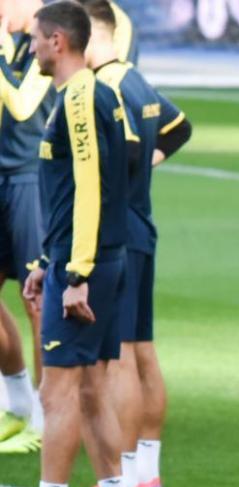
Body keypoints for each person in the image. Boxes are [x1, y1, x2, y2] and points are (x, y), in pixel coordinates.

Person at [0, 0, 138, 487]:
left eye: (36, 38)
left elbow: (89, 187)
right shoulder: (93, 95)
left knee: (57, 393)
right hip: (97, 259)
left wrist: (75, 271)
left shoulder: (79, 98)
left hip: (85, 266)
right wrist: (44, 263)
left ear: (58, 41)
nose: (30, 47)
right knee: (92, 390)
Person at [64, 0, 190, 487]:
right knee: (141, 350)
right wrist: (143, 172)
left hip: (117, 233)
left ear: (94, 35)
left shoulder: (107, 88)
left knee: (117, 357)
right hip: (142, 226)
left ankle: (124, 476)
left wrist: (122, 182)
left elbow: (122, 155)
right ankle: (147, 474)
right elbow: (180, 127)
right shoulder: (137, 81)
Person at [0, 0, 53, 454]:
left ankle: (45, 417)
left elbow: (21, 106)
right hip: (1, 177)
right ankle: (16, 404)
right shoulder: (12, 40)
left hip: (30, 180)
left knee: (36, 301)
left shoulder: (47, 41)